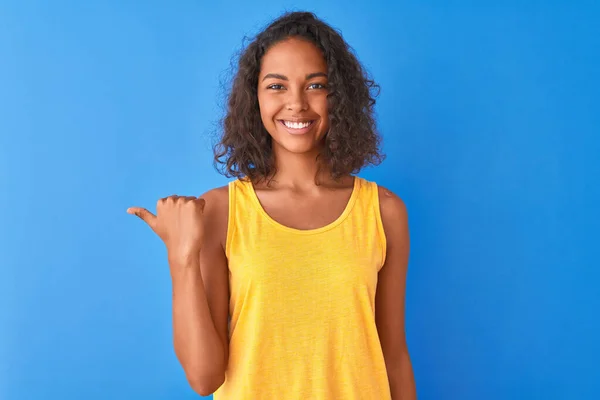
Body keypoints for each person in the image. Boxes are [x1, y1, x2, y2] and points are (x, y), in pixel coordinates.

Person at [127, 10, 417, 400]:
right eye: (277, 86)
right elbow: (204, 378)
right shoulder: (221, 211)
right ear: (255, 97)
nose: (296, 104)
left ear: (339, 96)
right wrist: (181, 257)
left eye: (316, 85)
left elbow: (393, 355)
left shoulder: (383, 212)